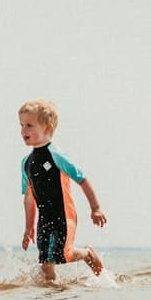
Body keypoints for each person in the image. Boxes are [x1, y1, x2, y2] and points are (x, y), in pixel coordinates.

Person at [18, 100, 106, 282]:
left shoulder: (56, 156)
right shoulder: (26, 162)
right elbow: (28, 197)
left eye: (29, 125)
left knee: (61, 257)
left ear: (47, 129)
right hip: (44, 218)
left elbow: (82, 179)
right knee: (46, 262)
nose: (23, 131)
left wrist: (95, 208)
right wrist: (28, 227)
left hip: (63, 215)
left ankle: (87, 253)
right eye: (21, 125)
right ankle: (53, 296)